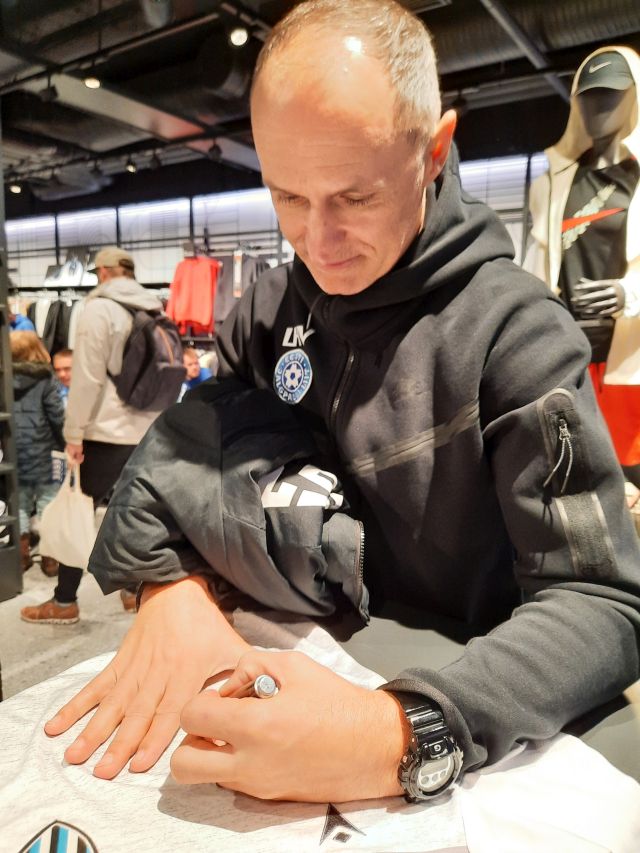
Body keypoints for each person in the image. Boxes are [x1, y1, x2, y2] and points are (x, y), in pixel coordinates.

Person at [44, 0, 640, 805]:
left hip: (474, 721)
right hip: (288, 659)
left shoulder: (519, 335)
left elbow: (602, 603)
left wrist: (399, 731)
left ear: (433, 152)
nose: (318, 242)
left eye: (355, 197)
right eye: (287, 196)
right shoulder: (264, 312)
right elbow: (191, 461)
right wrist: (171, 585)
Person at [20, 247, 165, 625]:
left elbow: (87, 379)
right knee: (130, 512)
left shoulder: (99, 309)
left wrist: (73, 433)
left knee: (79, 509)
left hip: (107, 429)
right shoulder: (154, 309)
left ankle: (64, 601)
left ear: (102, 272)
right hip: (149, 430)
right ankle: (133, 591)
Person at [524, 46, 640, 487]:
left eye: (611, 94)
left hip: (630, 361)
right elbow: (536, 267)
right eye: (587, 96)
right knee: (573, 476)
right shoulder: (552, 184)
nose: (597, 107)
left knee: (630, 474)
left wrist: (628, 293)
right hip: (568, 356)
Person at [10, 331, 64, 577]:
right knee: (48, 504)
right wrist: (67, 443)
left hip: (14, 452)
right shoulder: (45, 377)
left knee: (19, 504)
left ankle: (22, 556)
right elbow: (56, 415)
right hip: (46, 451)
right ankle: (50, 559)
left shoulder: (3, 378)